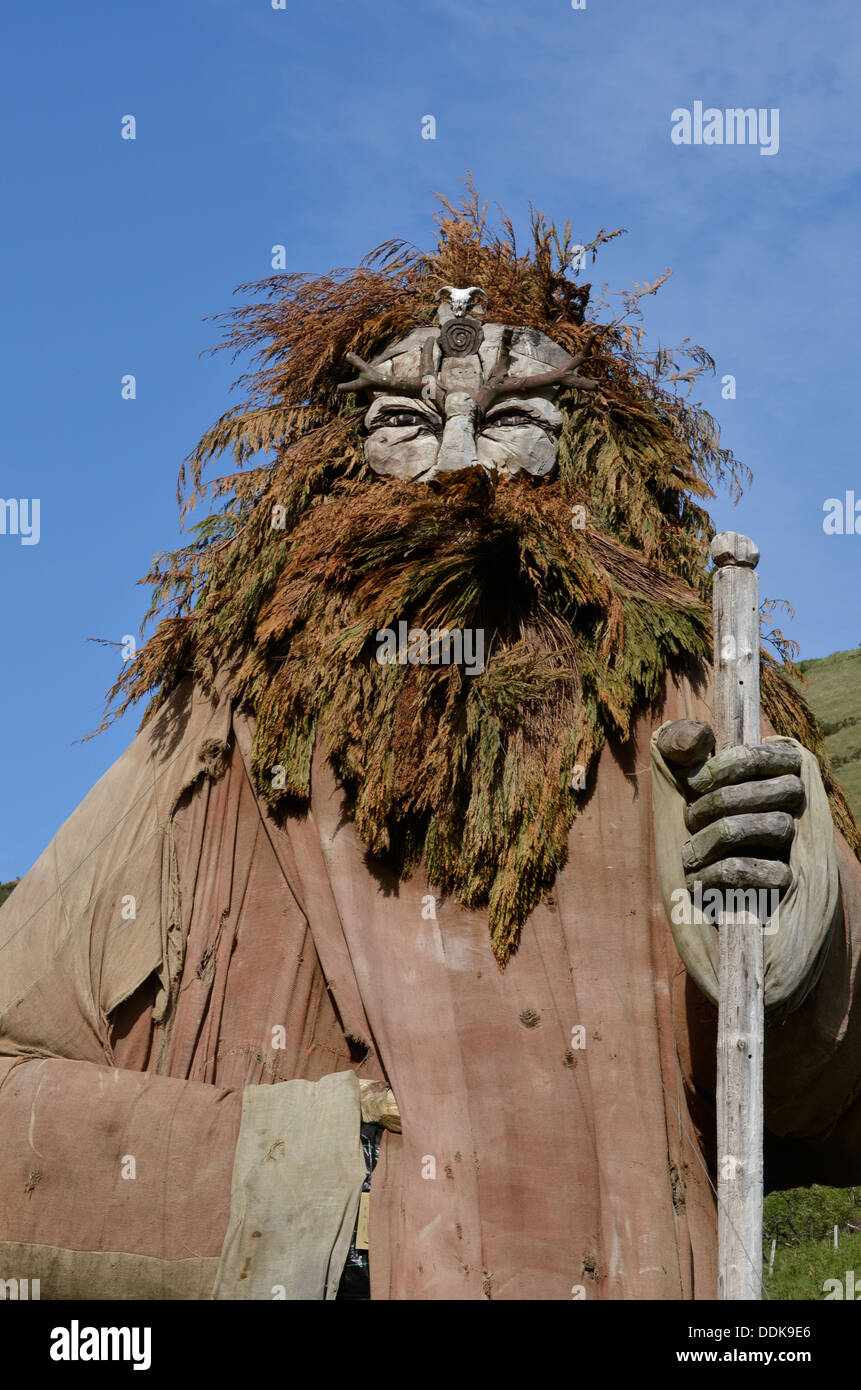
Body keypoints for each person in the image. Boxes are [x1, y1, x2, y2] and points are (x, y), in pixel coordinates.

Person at [2, 191, 860, 1300]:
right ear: (336, 459)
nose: (459, 465)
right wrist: (294, 1183)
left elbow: (829, 1102)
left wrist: (801, 932)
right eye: (404, 419)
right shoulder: (226, 728)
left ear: (592, 452)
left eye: (508, 417)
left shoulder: (686, 707)